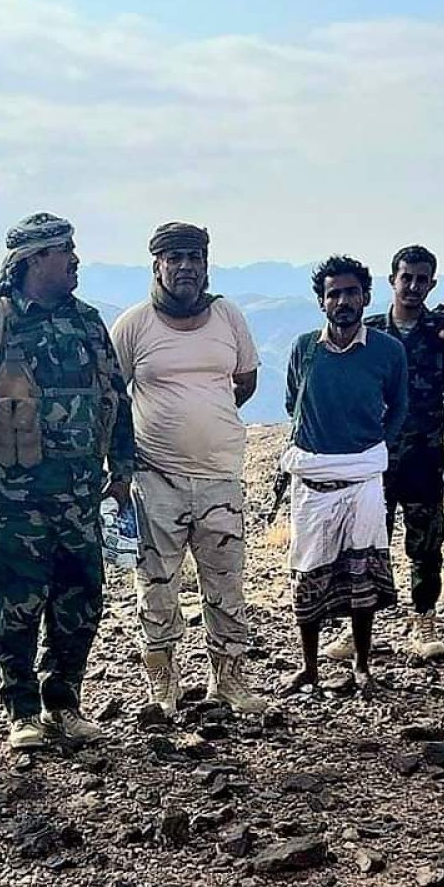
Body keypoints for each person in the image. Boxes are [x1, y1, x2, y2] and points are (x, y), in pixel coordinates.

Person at [0, 213, 135, 749]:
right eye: (64, 251)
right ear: (32, 261)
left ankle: (63, 702)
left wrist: (124, 469)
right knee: (13, 603)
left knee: (80, 599)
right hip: (11, 499)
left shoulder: (89, 323)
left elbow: (116, 396)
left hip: (79, 496)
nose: (75, 260)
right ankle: (21, 710)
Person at [110, 221, 266, 716]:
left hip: (220, 475)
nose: (185, 268)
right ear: (156, 264)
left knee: (226, 582)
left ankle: (230, 680)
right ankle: (163, 682)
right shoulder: (135, 325)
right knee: (156, 583)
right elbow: (113, 397)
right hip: (155, 478)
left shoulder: (228, 318)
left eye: (194, 257)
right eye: (174, 258)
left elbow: (245, 380)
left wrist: (206, 416)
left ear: (206, 263)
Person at [329, 244, 444, 661]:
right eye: (406, 277)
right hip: (375, 458)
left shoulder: (440, 331)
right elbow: (348, 393)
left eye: (422, 279)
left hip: (425, 457)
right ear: (392, 279)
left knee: (426, 542)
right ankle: (358, 629)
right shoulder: (370, 332)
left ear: (432, 283)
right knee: (367, 542)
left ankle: (424, 618)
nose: (413, 286)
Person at [282, 255, 408, 695]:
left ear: (366, 297)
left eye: (351, 292)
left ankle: (361, 666)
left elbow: (400, 408)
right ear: (321, 302)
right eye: (333, 293)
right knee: (308, 573)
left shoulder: (388, 351)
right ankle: (310, 668)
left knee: (362, 576)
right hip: (313, 480)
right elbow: (292, 404)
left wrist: (371, 447)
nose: (343, 301)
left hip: (363, 478)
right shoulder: (304, 348)